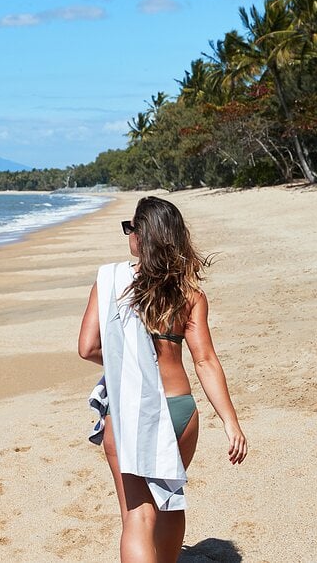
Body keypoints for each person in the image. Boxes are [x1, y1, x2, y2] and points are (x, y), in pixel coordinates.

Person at [78, 196, 247, 563]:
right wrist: (230, 422)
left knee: (137, 516)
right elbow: (204, 360)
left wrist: (129, 361)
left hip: (133, 410)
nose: (128, 236)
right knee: (168, 499)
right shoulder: (190, 294)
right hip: (181, 409)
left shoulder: (110, 282)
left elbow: (88, 348)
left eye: (130, 228)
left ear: (141, 236)